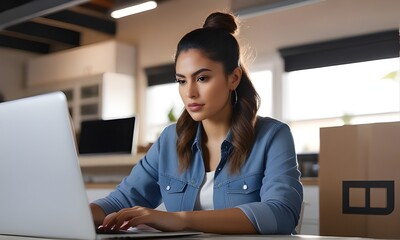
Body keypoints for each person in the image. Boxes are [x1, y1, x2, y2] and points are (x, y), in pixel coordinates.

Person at [90, 11, 303, 235]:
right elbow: (119, 202)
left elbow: (282, 214)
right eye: (182, 81)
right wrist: (72, 215)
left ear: (234, 78)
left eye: (202, 78)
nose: (190, 92)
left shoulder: (273, 135)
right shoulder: (169, 140)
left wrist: (180, 220)